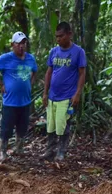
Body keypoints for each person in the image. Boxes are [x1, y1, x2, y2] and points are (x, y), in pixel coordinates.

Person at [0, 31, 38, 160]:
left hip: (25, 101)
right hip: (10, 102)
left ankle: (19, 149)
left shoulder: (30, 58)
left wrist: (30, 85)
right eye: (18, 43)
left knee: (22, 127)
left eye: (24, 43)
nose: (21, 46)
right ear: (12, 45)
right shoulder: (6, 58)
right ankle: (3, 152)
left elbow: (34, 72)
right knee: (6, 129)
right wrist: (1, 84)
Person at [42, 22, 86, 161]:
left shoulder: (78, 52)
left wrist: (77, 93)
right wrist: (45, 93)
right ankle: (50, 150)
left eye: (61, 36)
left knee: (63, 124)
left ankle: (61, 151)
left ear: (69, 34)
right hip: (52, 96)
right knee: (51, 124)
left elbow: (82, 73)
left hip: (67, 96)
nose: (58, 39)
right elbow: (49, 72)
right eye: (56, 37)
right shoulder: (54, 51)